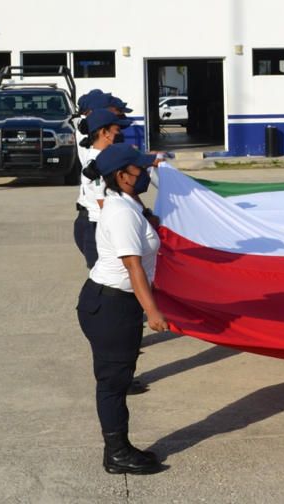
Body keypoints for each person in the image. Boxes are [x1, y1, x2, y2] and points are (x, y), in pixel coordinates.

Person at [78, 143, 167, 474]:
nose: (145, 173)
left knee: (118, 378)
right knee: (113, 384)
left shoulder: (128, 202)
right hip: (110, 306)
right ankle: (117, 453)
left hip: (115, 303)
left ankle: (119, 448)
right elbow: (133, 267)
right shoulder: (120, 212)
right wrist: (154, 312)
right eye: (140, 169)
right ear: (122, 176)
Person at [74, 110, 133, 269]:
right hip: (98, 226)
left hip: (98, 224)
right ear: (104, 133)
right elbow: (103, 204)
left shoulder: (102, 156)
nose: (120, 135)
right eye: (117, 131)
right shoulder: (97, 162)